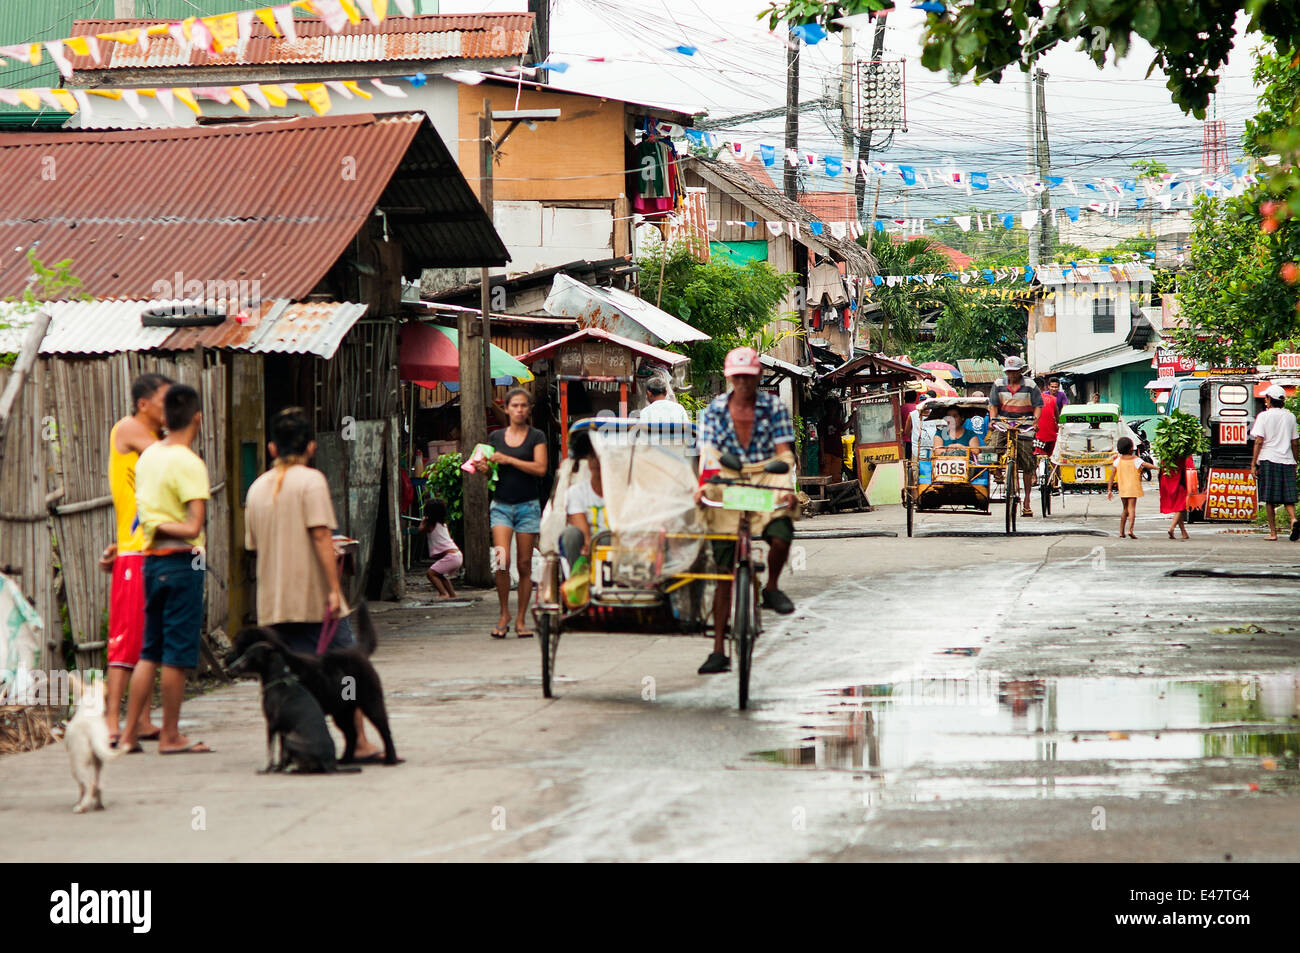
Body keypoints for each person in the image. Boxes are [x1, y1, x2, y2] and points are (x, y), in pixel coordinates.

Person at [244, 407, 384, 762]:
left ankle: (295, 743)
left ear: (272, 448)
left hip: (273, 606)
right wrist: (335, 591)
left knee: (289, 674)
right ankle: (361, 742)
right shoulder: (311, 482)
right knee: (347, 670)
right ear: (310, 447)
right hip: (314, 600)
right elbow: (323, 538)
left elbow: (253, 546)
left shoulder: (257, 488)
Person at [119, 384, 212, 755]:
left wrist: (152, 526)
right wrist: (161, 526)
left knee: (149, 650)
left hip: (150, 563)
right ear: (197, 418)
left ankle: (128, 735)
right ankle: (171, 736)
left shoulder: (149, 457)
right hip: (182, 561)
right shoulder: (189, 462)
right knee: (178, 652)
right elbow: (193, 528)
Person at [694, 346, 798, 675]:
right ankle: (718, 650)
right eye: (737, 377)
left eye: (748, 377)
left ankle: (771, 587)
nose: (743, 382)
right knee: (724, 573)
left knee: (781, 532)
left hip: (766, 471)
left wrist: (787, 488)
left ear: (759, 377)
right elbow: (709, 455)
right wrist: (701, 488)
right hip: (727, 476)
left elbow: (784, 454)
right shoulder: (713, 411)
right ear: (729, 379)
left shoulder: (774, 408)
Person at [99, 373, 170, 748]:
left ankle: (141, 719)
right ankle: (112, 720)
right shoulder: (129, 428)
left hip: (148, 547)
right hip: (133, 553)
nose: (168, 408)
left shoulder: (156, 439)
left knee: (148, 638)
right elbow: (170, 459)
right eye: (164, 400)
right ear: (143, 404)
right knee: (126, 639)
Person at [474, 388, 547, 639]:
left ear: (529, 409)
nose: (519, 410)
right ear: (506, 409)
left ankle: (521, 619)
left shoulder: (536, 437)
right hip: (502, 505)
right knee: (501, 560)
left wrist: (509, 460)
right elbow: (491, 473)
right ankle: (504, 613)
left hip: (528, 505)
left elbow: (540, 468)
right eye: (514, 406)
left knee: (525, 564)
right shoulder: (495, 438)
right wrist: (484, 468)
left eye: (523, 406)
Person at [988, 355, 1043, 518]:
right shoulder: (998, 384)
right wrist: (993, 420)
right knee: (992, 447)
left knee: (1027, 463)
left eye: (1014, 371)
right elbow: (993, 405)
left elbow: (1038, 406)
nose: (1011, 375)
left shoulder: (1031, 385)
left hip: (1025, 426)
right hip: (1003, 423)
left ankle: (1026, 502)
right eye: (1009, 372)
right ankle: (997, 471)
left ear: (1020, 371)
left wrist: (1035, 422)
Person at [1250, 384, 1300, 541]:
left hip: (1268, 459)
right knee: (1288, 498)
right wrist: (1295, 460)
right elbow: (1295, 442)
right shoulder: (1290, 417)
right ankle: (1293, 520)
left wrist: (1253, 464)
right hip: (1287, 461)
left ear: (1269, 399)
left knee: (1270, 500)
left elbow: (1258, 441)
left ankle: (1273, 533)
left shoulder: (1263, 417)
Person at [1106, 436, 1157, 538]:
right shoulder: (1135, 459)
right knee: (1132, 508)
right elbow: (1146, 464)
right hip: (1133, 487)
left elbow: (1111, 477)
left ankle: (1121, 532)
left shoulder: (1117, 461)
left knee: (1125, 509)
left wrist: (1109, 490)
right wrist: (1157, 467)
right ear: (1131, 449)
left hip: (1123, 488)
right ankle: (1130, 530)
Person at [420, 498, 462, 598]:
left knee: (430, 573)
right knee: (439, 574)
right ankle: (452, 594)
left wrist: (423, 521)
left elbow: (420, 530)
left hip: (451, 556)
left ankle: (443, 593)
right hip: (457, 555)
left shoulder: (430, 524)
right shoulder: (443, 524)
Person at [1159, 453, 1194, 540]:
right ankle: (1172, 528)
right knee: (1181, 506)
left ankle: (1183, 532)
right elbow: (1190, 467)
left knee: (1178, 507)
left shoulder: (1165, 453)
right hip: (1180, 482)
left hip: (1167, 480)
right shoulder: (1184, 454)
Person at [900, 389, 919, 461]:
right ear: (915, 398)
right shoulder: (918, 408)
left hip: (905, 439)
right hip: (916, 439)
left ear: (905, 398)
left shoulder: (901, 408)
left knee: (907, 460)